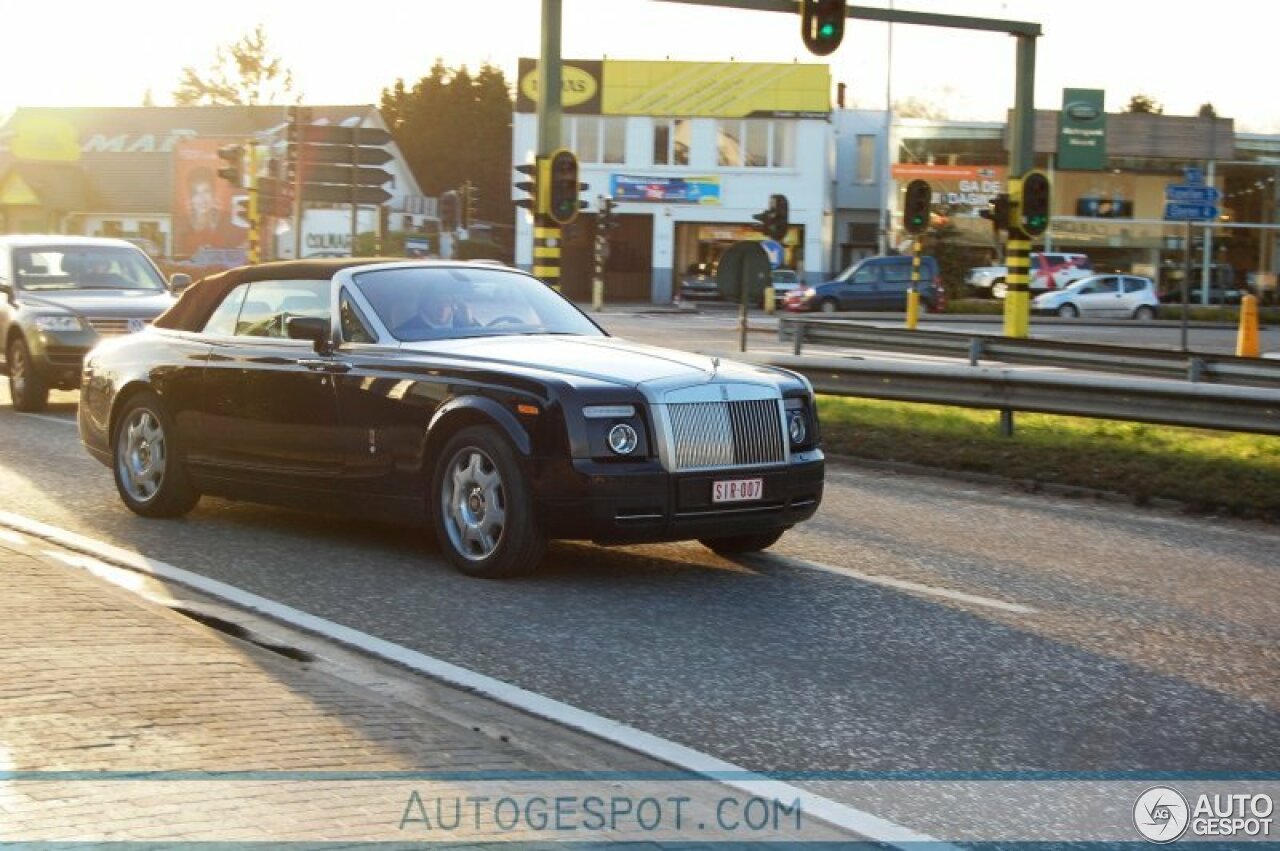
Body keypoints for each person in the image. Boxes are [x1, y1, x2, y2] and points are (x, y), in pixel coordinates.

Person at [396, 287, 476, 336]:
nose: (442, 307)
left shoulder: (462, 324)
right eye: (436, 302)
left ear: (454, 306)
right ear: (426, 305)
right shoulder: (408, 330)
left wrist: (469, 321)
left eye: (447, 302)